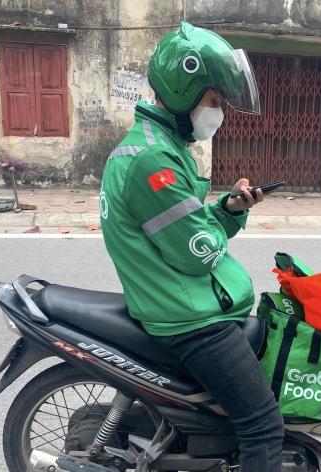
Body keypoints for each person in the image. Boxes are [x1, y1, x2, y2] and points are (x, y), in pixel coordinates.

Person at [99, 22, 284, 472]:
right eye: (215, 101)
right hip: (191, 319)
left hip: (185, 303)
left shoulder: (161, 144)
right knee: (263, 425)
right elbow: (196, 251)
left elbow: (183, 228)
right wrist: (215, 227)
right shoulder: (153, 160)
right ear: (183, 92)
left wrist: (228, 209)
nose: (219, 114)